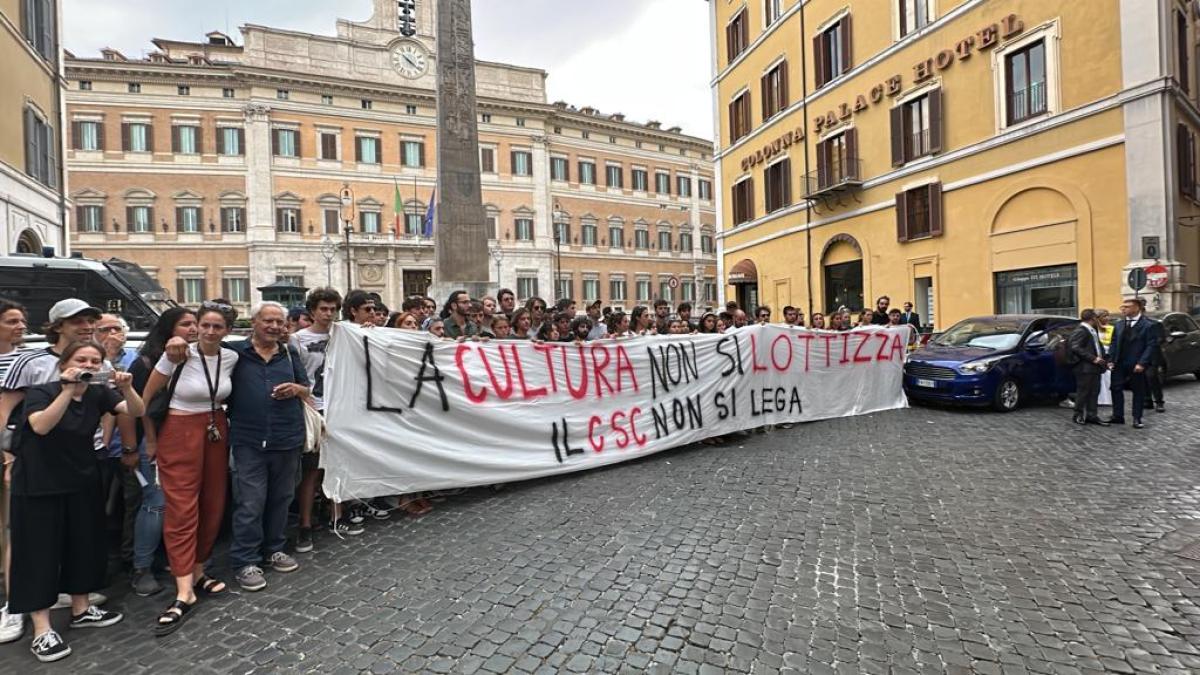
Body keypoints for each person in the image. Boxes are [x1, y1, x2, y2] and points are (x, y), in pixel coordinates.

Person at [10, 341, 142, 661]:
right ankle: (41, 628)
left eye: (95, 360)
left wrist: (128, 388)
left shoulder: (99, 393)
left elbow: (136, 411)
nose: (88, 364)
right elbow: (41, 426)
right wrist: (68, 390)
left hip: (80, 480)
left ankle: (81, 609)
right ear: (63, 363)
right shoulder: (43, 391)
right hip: (39, 483)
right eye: (81, 359)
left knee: (83, 544)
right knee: (39, 552)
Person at [0, 299, 104, 644]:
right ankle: (16, 609)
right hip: (36, 466)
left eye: (91, 320)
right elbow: (6, 410)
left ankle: (77, 603)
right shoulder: (31, 361)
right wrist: (8, 457)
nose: (87, 325)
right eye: (78, 320)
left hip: (80, 465)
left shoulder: (96, 358)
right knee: (28, 541)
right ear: (58, 325)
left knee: (78, 539)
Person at [142, 302, 239, 636]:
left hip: (215, 428)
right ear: (196, 326)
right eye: (205, 325)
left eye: (218, 326)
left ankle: (199, 570)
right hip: (179, 432)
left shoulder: (231, 357)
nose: (210, 332)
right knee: (182, 508)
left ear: (228, 330)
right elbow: (146, 400)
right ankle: (183, 588)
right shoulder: (177, 353)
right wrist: (151, 441)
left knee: (213, 504)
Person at [227, 302, 309, 592]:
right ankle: (245, 560)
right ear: (254, 322)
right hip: (248, 439)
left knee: (281, 497)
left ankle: (274, 547)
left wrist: (296, 389)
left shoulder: (288, 352)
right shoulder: (235, 352)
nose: (275, 326)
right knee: (250, 501)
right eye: (269, 321)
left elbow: (307, 387)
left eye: (280, 322)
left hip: (286, 437)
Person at [125, 307, 198, 597]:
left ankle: (170, 558)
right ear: (169, 329)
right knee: (155, 503)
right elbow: (136, 407)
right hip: (154, 440)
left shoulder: (197, 357)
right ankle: (141, 566)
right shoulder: (146, 363)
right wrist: (144, 443)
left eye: (195, 323)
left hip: (185, 439)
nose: (192, 329)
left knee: (180, 503)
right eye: (185, 324)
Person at [288, 288, 351, 554]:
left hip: (340, 408)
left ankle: (337, 514)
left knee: (337, 465)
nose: (328, 314)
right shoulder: (297, 340)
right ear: (312, 311)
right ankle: (305, 524)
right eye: (323, 309)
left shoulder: (346, 334)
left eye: (333, 309)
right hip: (313, 409)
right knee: (311, 471)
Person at [1106, 297, 1158, 429]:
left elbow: (1151, 346)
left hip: (1136, 364)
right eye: (1122, 306)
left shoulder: (1149, 325)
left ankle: (1137, 418)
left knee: (1138, 391)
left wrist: (1142, 363)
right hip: (1119, 363)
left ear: (1137, 308)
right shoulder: (1118, 324)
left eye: (1127, 306)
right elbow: (1113, 343)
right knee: (1115, 388)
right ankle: (1118, 416)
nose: (1123, 309)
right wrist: (1111, 360)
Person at [1068, 309, 1109, 426]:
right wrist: (1093, 358)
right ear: (1093, 318)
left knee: (1094, 392)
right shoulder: (1081, 330)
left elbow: (1097, 346)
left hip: (1094, 367)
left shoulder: (1091, 330)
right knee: (1083, 392)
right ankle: (1078, 415)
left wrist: (1106, 360)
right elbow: (1075, 347)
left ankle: (1092, 415)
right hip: (1084, 368)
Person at [1145, 316, 1167, 413]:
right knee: (1141, 378)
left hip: (1152, 356)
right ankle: (1147, 400)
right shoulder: (1130, 323)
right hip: (1138, 356)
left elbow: (1161, 339)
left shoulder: (1155, 323)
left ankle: (1159, 401)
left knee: (1152, 377)